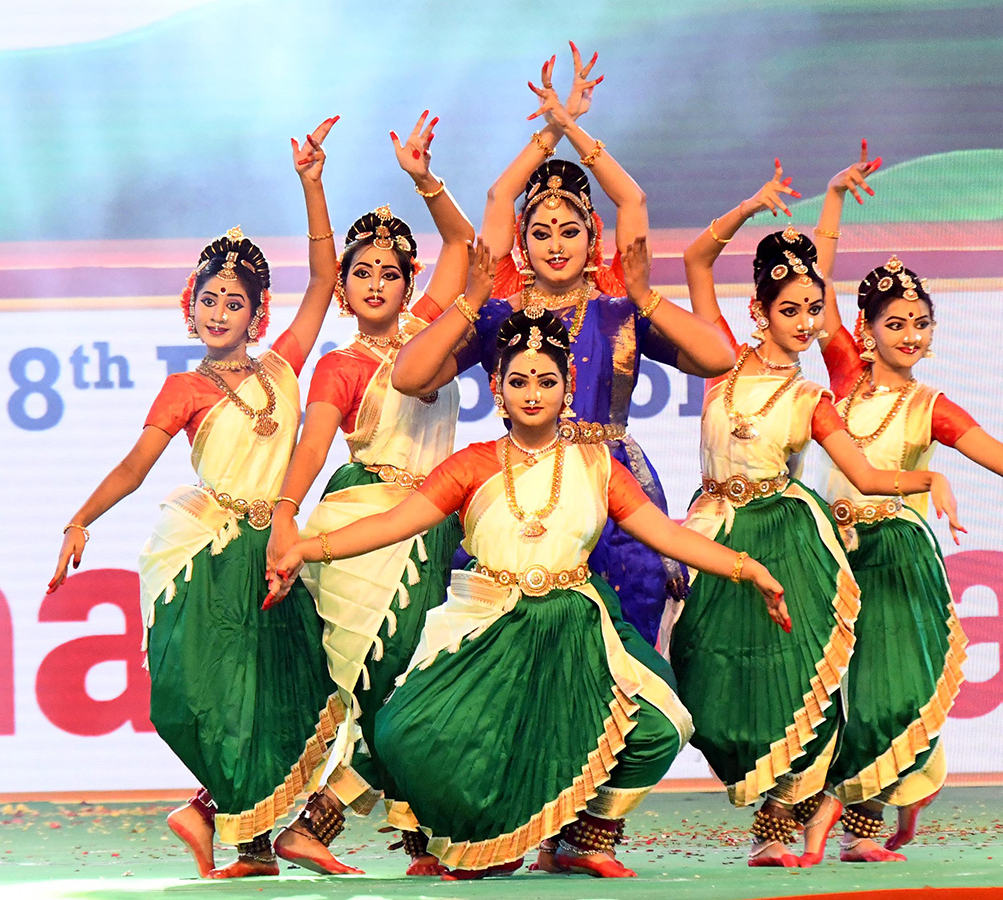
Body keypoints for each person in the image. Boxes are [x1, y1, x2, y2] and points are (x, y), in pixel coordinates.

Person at [267, 294, 788, 879]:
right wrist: (305, 548)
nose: (533, 391)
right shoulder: (471, 465)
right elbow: (391, 525)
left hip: (576, 626)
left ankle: (585, 839)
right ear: (498, 387)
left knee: (662, 725)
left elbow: (665, 534)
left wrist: (748, 568)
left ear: (568, 387)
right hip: (488, 621)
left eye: (546, 379)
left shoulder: (597, 466)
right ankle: (372, 827)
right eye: (519, 380)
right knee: (401, 729)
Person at [48, 119, 340, 879]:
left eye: (234, 302)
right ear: (191, 307)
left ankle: (223, 825)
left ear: (256, 314)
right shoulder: (184, 389)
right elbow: (135, 467)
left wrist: (312, 185)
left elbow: (325, 280)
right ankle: (239, 840)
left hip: (274, 549)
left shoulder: (284, 366)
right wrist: (82, 518)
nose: (219, 312)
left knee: (290, 689)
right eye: (208, 299)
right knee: (221, 698)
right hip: (216, 558)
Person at [806, 148, 1003, 861]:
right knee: (835, 695)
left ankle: (846, 820)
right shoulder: (844, 377)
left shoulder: (932, 407)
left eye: (921, 322)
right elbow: (817, 283)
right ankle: (863, 819)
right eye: (896, 322)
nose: (911, 334)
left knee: (891, 693)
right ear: (867, 329)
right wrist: (830, 198)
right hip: (835, 556)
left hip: (898, 557)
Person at [390, 46, 737, 644]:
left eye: (570, 231)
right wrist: (551, 130)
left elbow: (719, 357)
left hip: (609, 491)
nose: (556, 244)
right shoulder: (501, 316)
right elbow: (410, 376)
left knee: (615, 658)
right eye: (541, 232)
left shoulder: (620, 311)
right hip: (518, 484)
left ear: (591, 235)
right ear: (522, 243)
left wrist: (572, 127)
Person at [669, 198, 963, 868]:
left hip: (789, 541)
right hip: (712, 530)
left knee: (796, 687)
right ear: (758, 311)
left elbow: (861, 469)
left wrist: (925, 482)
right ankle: (784, 806)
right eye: (791, 309)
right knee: (705, 687)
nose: (806, 324)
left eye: (814, 310)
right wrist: (748, 206)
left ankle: (778, 826)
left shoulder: (813, 398)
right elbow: (695, 260)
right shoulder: (721, 360)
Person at [263, 112, 473, 877]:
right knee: (387, 685)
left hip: (436, 525)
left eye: (390, 272)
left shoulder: (431, 333)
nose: (376, 283)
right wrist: (285, 521)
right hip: (366, 525)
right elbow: (313, 447)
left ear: (408, 283)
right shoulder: (340, 366)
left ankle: (413, 840)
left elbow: (462, 246)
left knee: (424, 684)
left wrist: (425, 180)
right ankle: (328, 826)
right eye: (362, 273)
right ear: (345, 289)